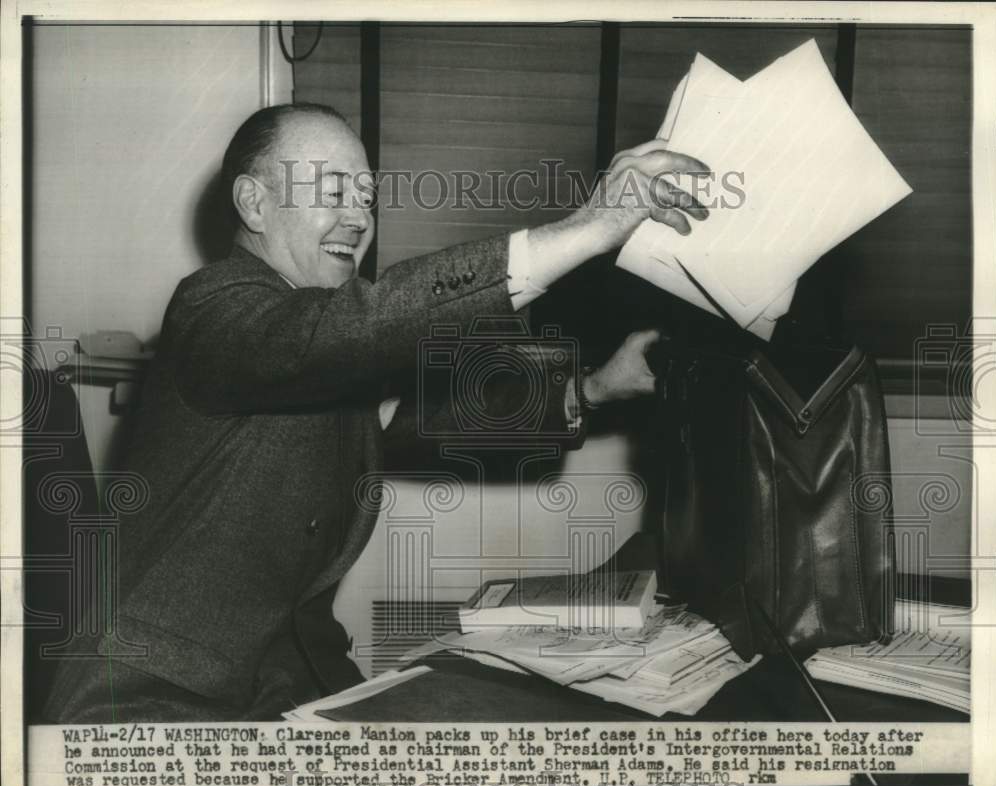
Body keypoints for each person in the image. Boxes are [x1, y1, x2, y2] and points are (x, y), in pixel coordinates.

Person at [42, 102, 709, 722]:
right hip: (146, 700)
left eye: (365, 198)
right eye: (333, 193)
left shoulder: (313, 357)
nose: (359, 219)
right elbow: (359, 324)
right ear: (254, 203)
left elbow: (416, 418)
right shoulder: (212, 307)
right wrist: (588, 228)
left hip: (285, 690)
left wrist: (595, 388)